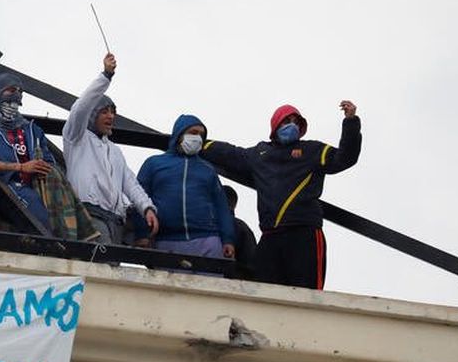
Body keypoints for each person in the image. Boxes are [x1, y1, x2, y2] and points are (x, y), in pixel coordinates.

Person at [201, 102, 361, 289]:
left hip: (304, 233)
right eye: (286, 121)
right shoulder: (260, 154)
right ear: (276, 125)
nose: (292, 125)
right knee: (264, 293)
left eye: (296, 122)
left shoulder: (312, 150)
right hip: (271, 235)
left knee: (307, 297)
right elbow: (230, 154)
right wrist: (198, 142)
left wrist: (351, 122)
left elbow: (345, 157)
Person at [63, 52, 159, 245]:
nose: (111, 116)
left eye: (113, 112)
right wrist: (106, 76)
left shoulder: (115, 151)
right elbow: (81, 107)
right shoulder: (76, 138)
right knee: (101, 262)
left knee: (111, 263)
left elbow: (130, 184)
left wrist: (147, 208)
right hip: (89, 216)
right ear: (92, 115)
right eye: (104, 112)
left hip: (116, 222)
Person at [133, 115, 235, 262]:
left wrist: (228, 239)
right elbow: (139, 196)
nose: (198, 138)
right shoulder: (153, 164)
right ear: (179, 134)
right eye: (193, 133)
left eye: (201, 135)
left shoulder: (207, 169)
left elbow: (221, 207)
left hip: (207, 241)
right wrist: (142, 234)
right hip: (166, 240)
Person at [0, 73, 56, 231]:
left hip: (38, 189)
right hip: (5, 187)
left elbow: (50, 162)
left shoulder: (32, 129)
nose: (17, 95)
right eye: (11, 90)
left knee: (61, 222)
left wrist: (44, 169)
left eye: (20, 91)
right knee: (41, 222)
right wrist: (20, 167)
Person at [222, 185, 257, 280]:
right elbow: (251, 263)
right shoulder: (242, 228)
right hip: (235, 283)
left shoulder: (204, 224)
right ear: (234, 205)